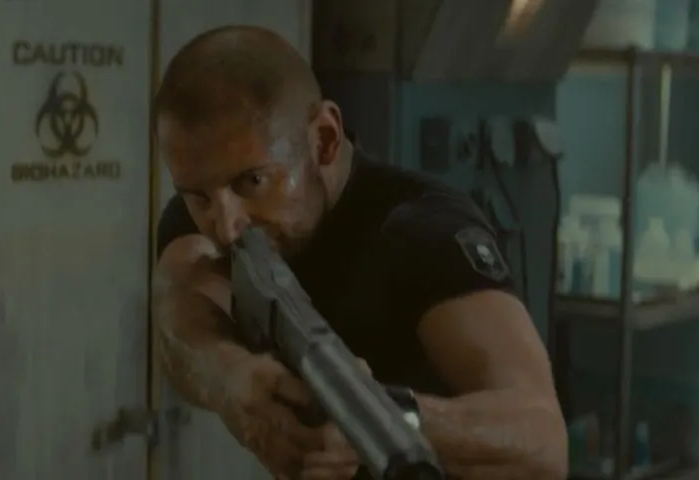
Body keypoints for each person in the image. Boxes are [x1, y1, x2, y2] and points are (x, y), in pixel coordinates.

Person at [153, 25, 568, 480]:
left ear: (324, 138)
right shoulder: (205, 214)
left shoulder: (423, 231)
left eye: (253, 181)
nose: (227, 225)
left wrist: (389, 413)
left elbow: (542, 440)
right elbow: (180, 313)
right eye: (198, 196)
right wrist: (231, 380)